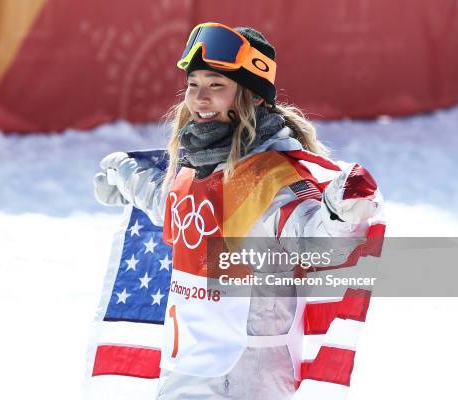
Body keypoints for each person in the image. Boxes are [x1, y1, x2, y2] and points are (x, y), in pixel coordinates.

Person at [93, 22, 384, 400]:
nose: (200, 98)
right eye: (194, 85)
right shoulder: (193, 165)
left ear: (253, 97)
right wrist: (126, 179)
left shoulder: (268, 175)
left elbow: (315, 243)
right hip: (187, 369)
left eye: (217, 86)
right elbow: (176, 216)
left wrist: (341, 212)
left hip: (248, 377)